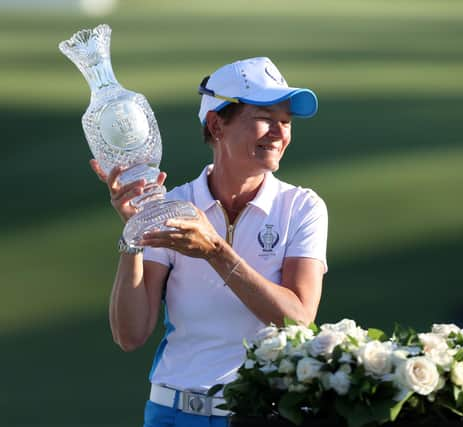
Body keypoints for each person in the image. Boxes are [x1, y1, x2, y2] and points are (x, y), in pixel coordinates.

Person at [90, 57, 328, 427]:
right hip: (172, 413)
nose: (279, 133)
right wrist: (133, 233)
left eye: (286, 122)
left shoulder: (301, 207)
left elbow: (297, 320)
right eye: (265, 117)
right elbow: (130, 334)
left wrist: (215, 250)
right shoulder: (172, 208)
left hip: (262, 416)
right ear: (217, 124)